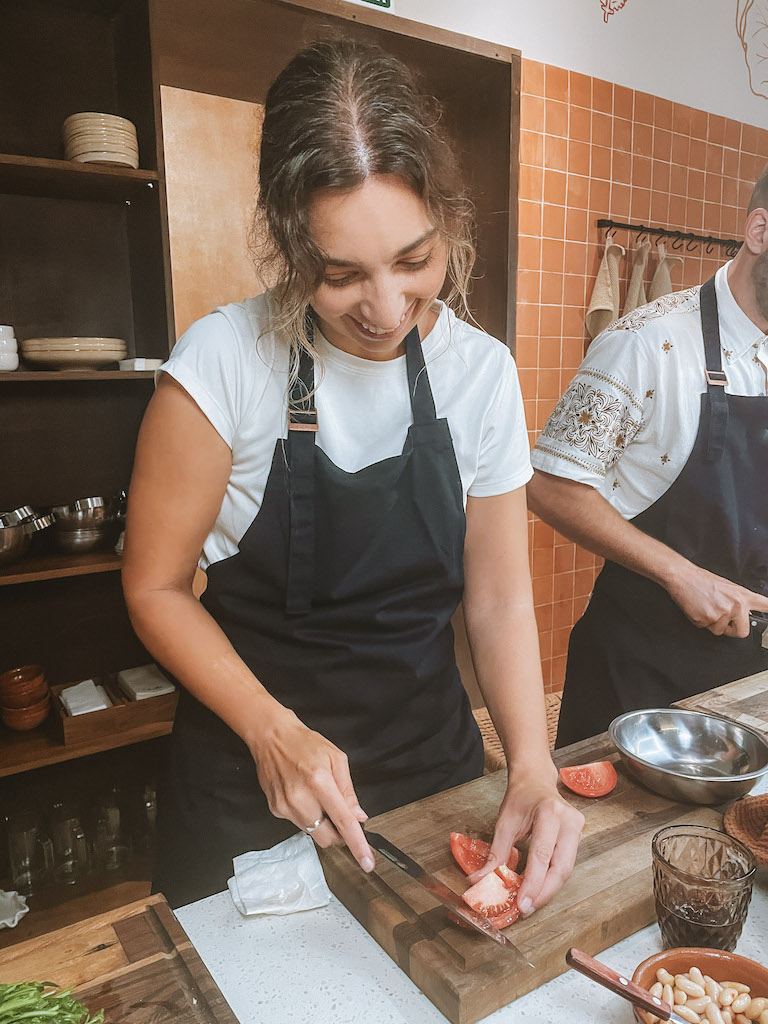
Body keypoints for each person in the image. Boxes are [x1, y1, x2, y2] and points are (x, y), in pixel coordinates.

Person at [122, 40, 583, 911]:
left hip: (431, 779)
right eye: (340, 276)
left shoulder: (480, 372)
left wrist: (531, 763)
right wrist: (270, 731)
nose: (384, 309)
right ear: (290, 245)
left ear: (448, 222)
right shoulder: (224, 361)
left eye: (414, 262)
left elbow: (497, 602)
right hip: (249, 786)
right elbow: (153, 586)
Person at [528, 169, 768, 748]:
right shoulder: (646, 344)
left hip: (750, 685)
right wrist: (681, 575)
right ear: (760, 230)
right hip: (640, 679)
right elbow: (549, 486)